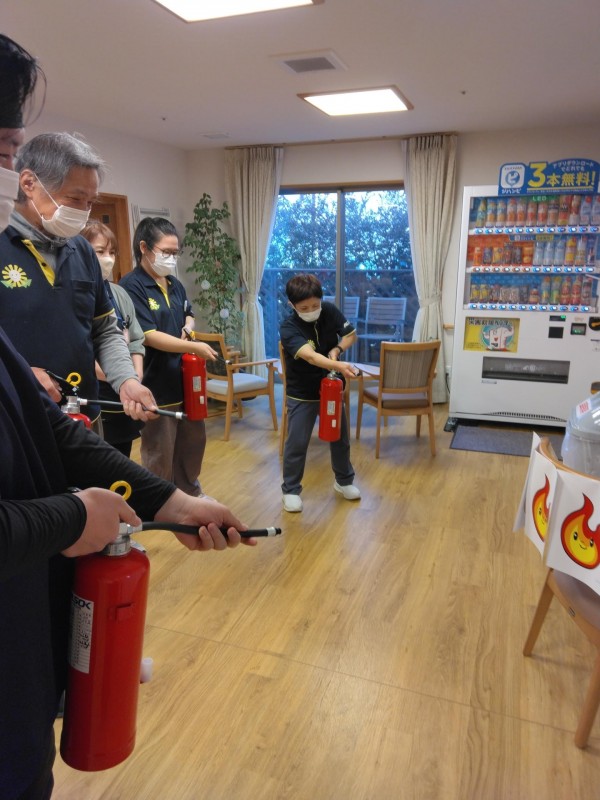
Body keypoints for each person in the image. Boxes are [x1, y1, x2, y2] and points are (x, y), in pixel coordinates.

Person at [0, 34, 257, 800]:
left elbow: (100, 344)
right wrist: (68, 515)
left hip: (74, 431)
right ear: (28, 183)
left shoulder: (82, 258)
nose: (82, 213)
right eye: (7, 152)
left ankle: (70, 664)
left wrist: (168, 500)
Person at [0, 131, 158, 434]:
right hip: (20, 425)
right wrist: (19, 373)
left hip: (85, 416)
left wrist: (126, 380)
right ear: (29, 183)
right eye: (75, 199)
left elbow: (105, 330)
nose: (84, 212)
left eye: (90, 202)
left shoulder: (82, 250)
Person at [120, 217, 218, 495]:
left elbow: (188, 312)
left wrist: (188, 326)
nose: (172, 258)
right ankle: (160, 500)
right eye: (166, 252)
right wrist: (192, 347)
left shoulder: (174, 284)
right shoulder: (132, 286)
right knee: (160, 450)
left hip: (186, 379)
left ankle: (190, 492)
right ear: (144, 247)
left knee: (193, 442)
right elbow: (148, 335)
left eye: (176, 253)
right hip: (155, 381)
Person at [279, 273, 361, 512]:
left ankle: (343, 481)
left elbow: (350, 335)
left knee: (339, 437)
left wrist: (337, 350)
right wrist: (339, 365)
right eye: (304, 308)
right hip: (302, 392)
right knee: (297, 443)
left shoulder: (329, 311)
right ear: (292, 305)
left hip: (331, 388)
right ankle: (291, 490)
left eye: (315, 305)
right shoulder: (289, 327)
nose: (312, 311)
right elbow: (311, 357)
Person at [82, 220, 144, 456]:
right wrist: (119, 376)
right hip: (95, 395)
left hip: (124, 394)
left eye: (112, 252)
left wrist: (134, 376)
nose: (108, 259)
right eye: (100, 252)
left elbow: (135, 338)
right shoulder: (73, 295)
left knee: (122, 458)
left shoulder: (118, 293)